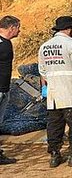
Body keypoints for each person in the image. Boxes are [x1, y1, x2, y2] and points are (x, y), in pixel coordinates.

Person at [38, 16, 72, 167]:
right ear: (68, 29)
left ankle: (55, 156)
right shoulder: (71, 44)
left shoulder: (44, 46)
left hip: (53, 94)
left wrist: (46, 89)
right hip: (71, 90)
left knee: (54, 125)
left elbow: (42, 71)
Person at [0, 15, 20, 165]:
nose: (19, 31)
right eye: (18, 27)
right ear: (11, 27)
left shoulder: (4, 43)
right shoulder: (4, 44)